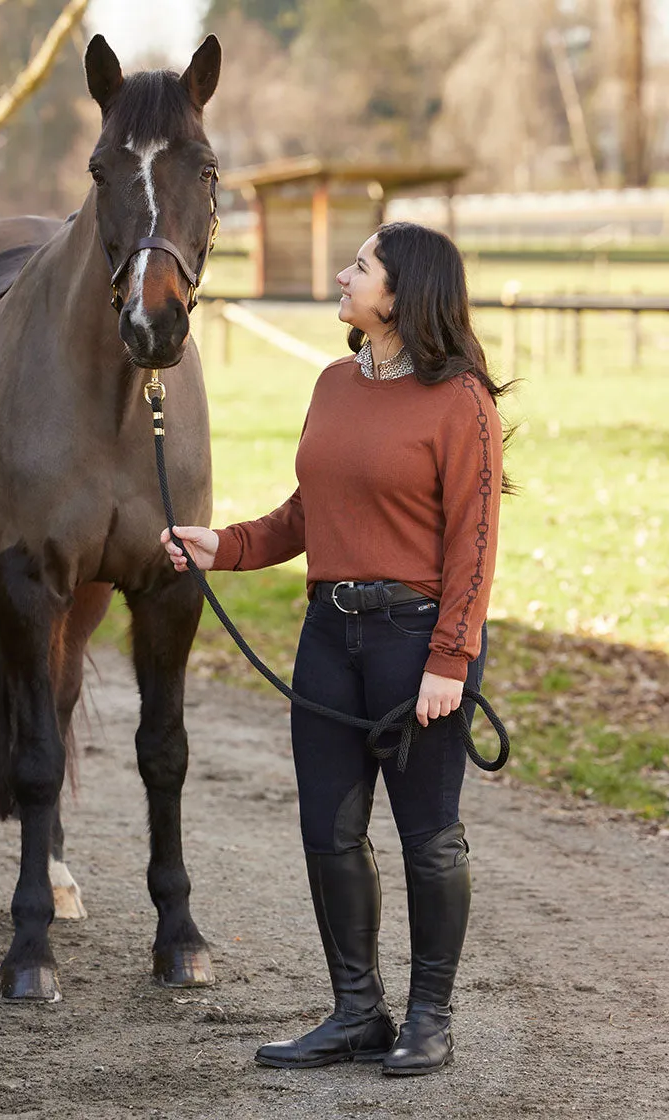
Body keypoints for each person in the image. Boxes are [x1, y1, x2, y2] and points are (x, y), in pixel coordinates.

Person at [161, 221, 511, 1077]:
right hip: (329, 633)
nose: (344, 276)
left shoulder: (459, 397)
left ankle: (429, 1017)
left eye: (361, 267)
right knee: (330, 829)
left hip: (415, 640)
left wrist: (450, 660)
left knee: (429, 837)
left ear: (399, 295)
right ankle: (357, 1011)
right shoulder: (333, 382)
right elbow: (309, 510)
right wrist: (227, 545)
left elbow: (474, 540)